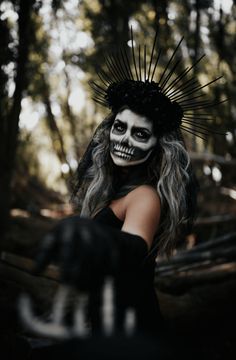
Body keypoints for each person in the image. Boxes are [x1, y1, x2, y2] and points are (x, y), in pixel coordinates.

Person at [20, 30, 222, 352]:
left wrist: (90, 234)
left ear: (158, 146)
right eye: (120, 127)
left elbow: (131, 250)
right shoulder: (115, 191)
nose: (125, 139)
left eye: (140, 133)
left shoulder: (145, 196)